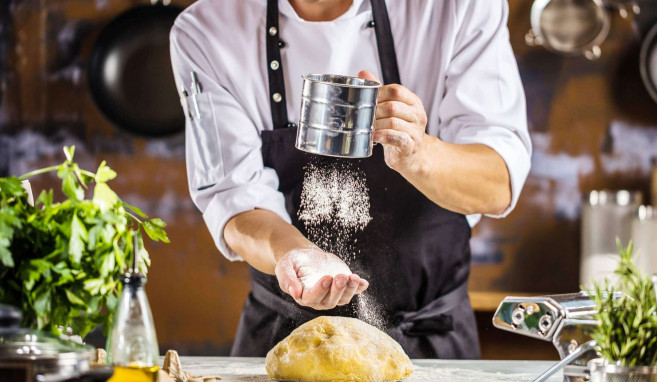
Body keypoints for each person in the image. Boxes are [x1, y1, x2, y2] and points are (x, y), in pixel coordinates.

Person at [170, 0, 531, 359]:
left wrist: (420, 155)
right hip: (288, 343)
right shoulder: (207, 28)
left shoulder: (457, 7)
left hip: (431, 347)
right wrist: (295, 255)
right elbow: (235, 200)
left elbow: (496, 183)